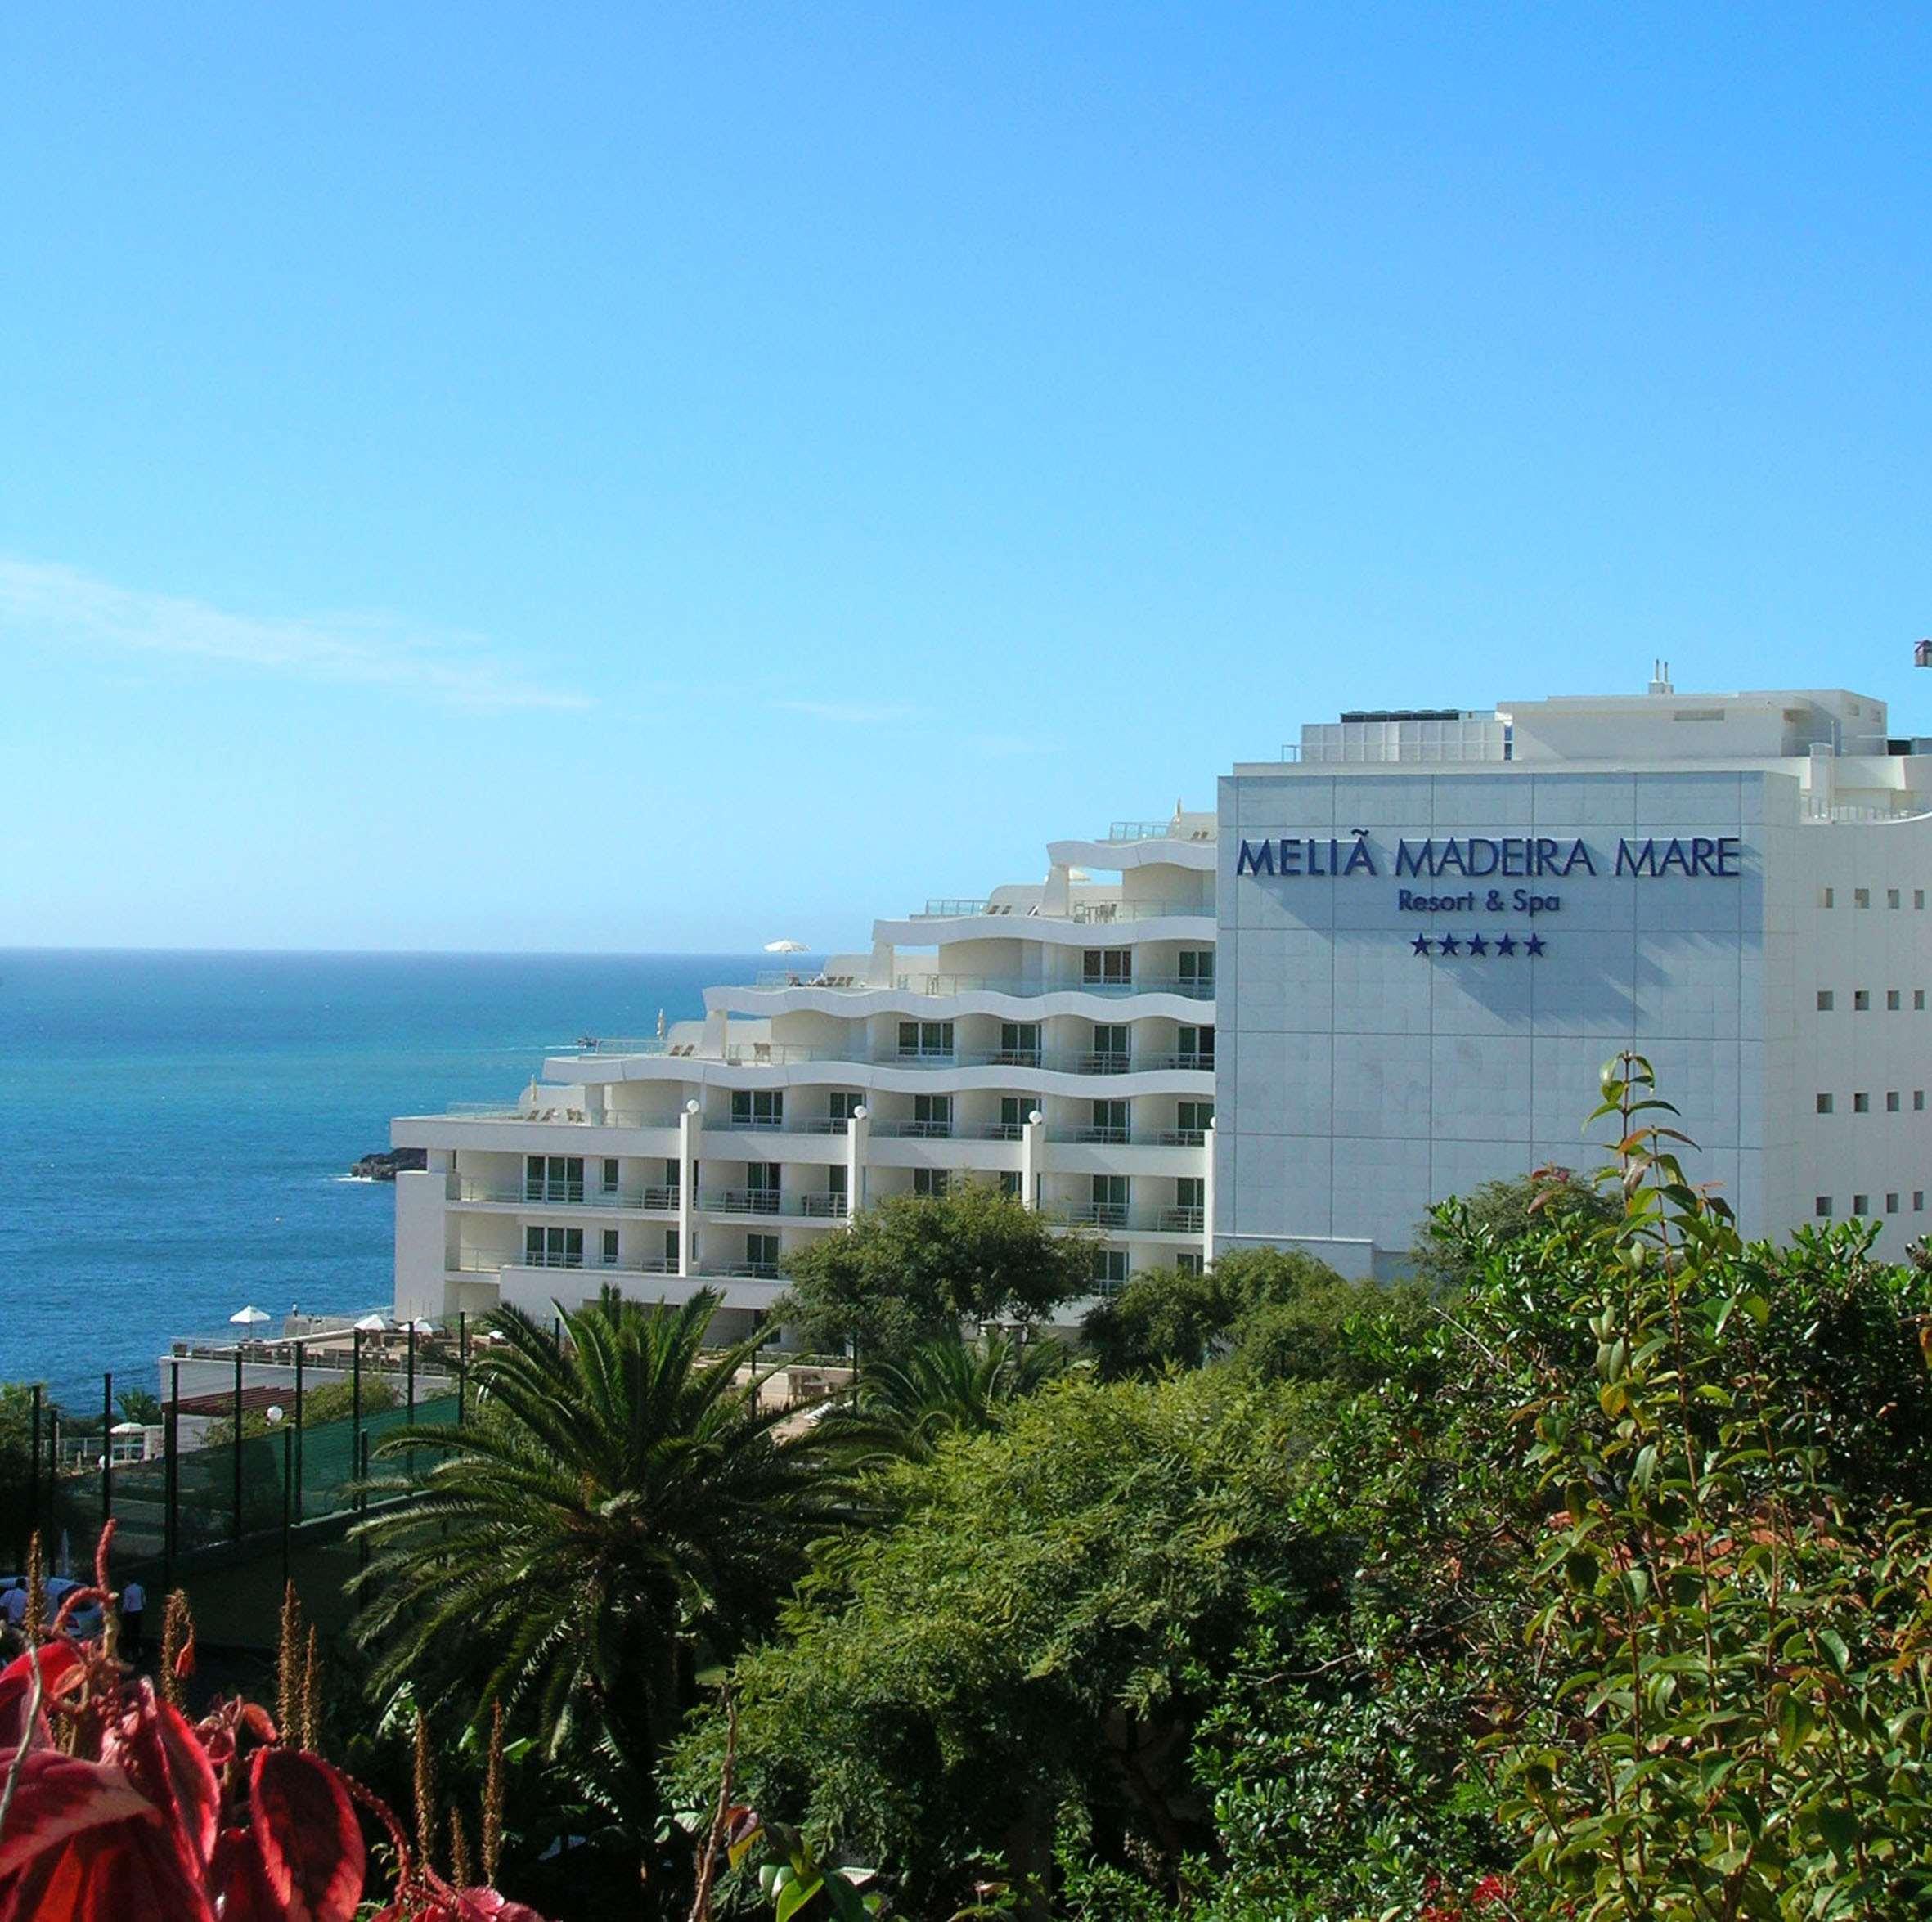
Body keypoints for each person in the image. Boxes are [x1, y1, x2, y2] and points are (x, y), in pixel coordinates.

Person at [120, 1577, 146, 1660]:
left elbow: (126, 1605)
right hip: (139, 1612)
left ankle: (130, 1653)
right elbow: (144, 1600)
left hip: (130, 1614)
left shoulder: (127, 1591)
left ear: (128, 1582)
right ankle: (140, 1650)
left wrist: (123, 1612)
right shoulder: (140, 1588)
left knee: (130, 1633)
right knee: (138, 1631)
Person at [2, 1577, 26, 1641]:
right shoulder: (26, 1596)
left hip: (7, 1625)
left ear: (16, 1585)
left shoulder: (8, 1593)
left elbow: (2, 1606)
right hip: (19, 1625)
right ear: (24, 1585)